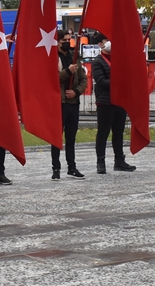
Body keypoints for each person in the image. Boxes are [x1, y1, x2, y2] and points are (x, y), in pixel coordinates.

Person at [90, 39, 134, 175]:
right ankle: (100, 161)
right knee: (103, 132)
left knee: (118, 132)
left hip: (120, 101)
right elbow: (101, 81)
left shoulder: (119, 60)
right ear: (102, 45)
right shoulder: (97, 61)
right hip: (105, 101)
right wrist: (118, 81)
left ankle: (119, 160)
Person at [51, 31, 87, 180]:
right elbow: (52, 79)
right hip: (60, 103)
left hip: (73, 102)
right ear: (58, 42)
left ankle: (71, 167)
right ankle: (56, 168)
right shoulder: (53, 57)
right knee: (56, 138)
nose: (67, 42)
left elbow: (83, 80)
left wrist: (76, 92)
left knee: (71, 138)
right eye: (64, 40)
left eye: (69, 39)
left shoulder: (74, 57)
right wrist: (67, 72)